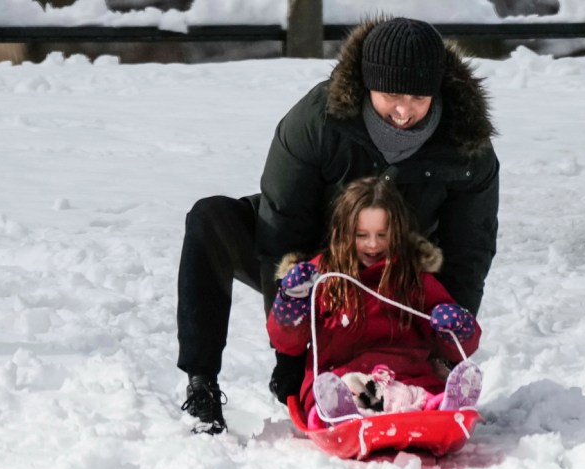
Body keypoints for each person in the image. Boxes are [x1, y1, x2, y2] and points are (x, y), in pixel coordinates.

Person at [177, 16, 499, 435]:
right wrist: (289, 358)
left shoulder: (467, 143)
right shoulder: (317, 120)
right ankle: (202, 384)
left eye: (419, 97)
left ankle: (415, 392)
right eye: (391, 96)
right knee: (210, 219)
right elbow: (282, 227)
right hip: (311, 256)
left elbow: (470, 249)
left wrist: (449, 345)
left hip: (399, 270)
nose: (404, 111)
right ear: (367, 87)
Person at [266, 177, 483, 427]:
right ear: (343, 233)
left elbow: (458, 348)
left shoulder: (413, 278)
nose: (373, 244)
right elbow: (287, 343)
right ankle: (336, 415)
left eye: (382, 235)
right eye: (361, 235)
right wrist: (291, 303)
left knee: (418, 395)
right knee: (341, 391)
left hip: (406, 376)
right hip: (341, 377)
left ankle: (444, 409)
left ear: (398, 232)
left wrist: (457, 328)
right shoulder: (323, 276)